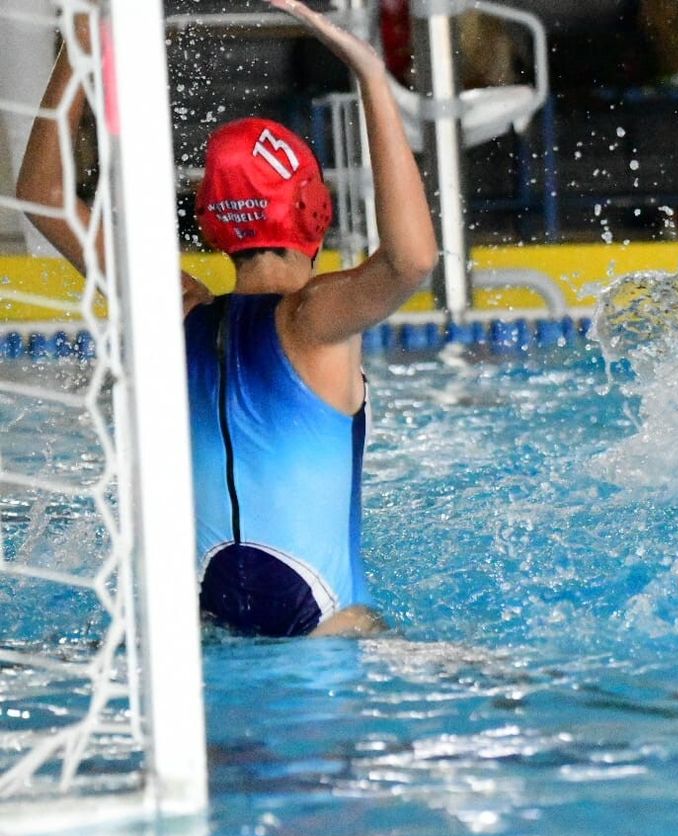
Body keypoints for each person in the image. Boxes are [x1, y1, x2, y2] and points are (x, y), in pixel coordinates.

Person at [18, 0, 437, 637]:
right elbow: (411, 260)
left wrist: (81, 43)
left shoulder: (173, 309)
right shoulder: (313, 321)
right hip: (330, 624)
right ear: (313, 206)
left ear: (212, 220)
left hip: (205, 616)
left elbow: (44, 199)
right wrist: (372, 78)